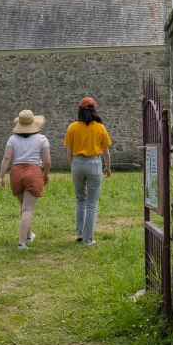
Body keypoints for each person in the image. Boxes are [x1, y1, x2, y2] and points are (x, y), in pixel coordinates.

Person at [0, 109, 51, 249]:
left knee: (23, 207)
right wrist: (45, 174)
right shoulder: (42, 139)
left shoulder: (12, 139)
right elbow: (47, 161)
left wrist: (1, 176)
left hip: (16, 173)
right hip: (33, 172)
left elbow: (7, 158)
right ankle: (21, 243)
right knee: (27, 209)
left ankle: (29, 235)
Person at [64, 97, 112, 246]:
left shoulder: (72, 127)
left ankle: (79, 233)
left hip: (77, 162)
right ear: (94, 110)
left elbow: (69, 152)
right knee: (91, 203)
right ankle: (88, 239)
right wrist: (107, 166)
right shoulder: (100, 127)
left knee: (80, 199)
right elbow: (106, 151)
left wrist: (74, 166)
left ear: (80, 109)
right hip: (94, 162)